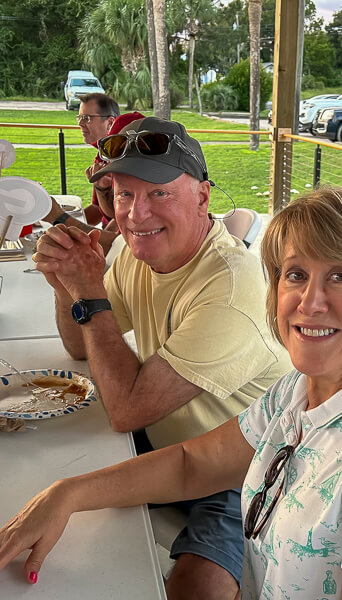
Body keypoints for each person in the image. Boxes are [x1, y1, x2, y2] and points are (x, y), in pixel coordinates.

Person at [0, 187, 342, 600]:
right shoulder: (302, 392)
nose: (310, 301)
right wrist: (66, 493)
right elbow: (192, 464)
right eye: (296, 274)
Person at [28, 116, 291, 600]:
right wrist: (67, 288)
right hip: (166, 446)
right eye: (123, 194)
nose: (134, 214)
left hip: (243, 471)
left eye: (158, 193)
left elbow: (128, 408)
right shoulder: (137, 253)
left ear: (203, 198)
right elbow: (80, 345)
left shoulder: (231, 286)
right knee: (35, 479)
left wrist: (89, 292)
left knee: (197, 590)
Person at [43, 93, 121, 253]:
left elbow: (115, 244)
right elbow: (97, 210)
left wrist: (59, 218)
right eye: (79, 118)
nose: (81, 124)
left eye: (87, 118)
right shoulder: (101, 158)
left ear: (110, 123)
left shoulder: (125, 164)